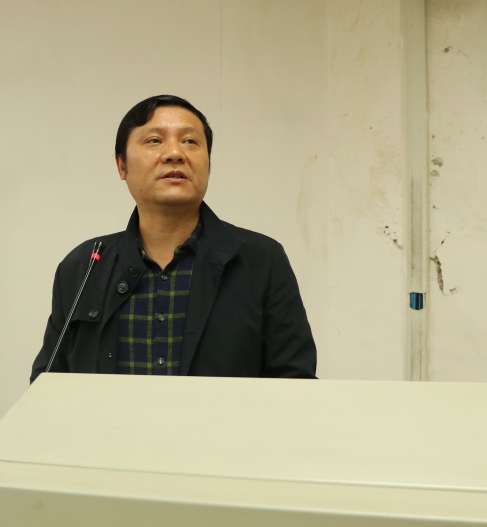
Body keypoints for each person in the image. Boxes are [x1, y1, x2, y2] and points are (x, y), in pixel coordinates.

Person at [30, 94, 317, 382]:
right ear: (121, 165)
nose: (175, 153)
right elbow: (48, 386)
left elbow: (295, 384)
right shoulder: (84, 267)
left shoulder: (261, 262)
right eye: (154, 140)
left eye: (190, 141)